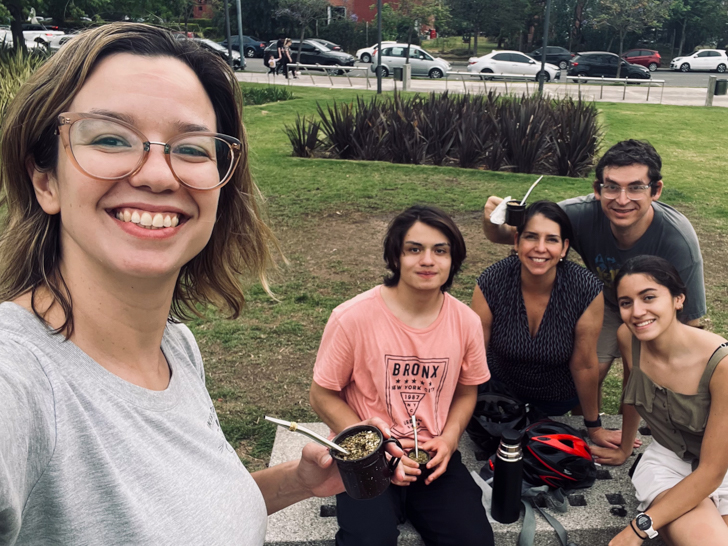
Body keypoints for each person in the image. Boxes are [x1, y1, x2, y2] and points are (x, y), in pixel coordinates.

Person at [0, 23, 403, 545]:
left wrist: (300, 481)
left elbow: (190, 515)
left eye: (191, 149)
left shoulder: (176, 348)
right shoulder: (20, 385)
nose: (158, 175)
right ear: (45, 179)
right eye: (109, 138)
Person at [310, 205, 495, 546]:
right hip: (366, 457)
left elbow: (467, 391)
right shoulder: (352, 318)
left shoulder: (466, 322)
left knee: (474, 539)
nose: (428, 260)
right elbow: (321, 395)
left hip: (431, 454)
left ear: (453, 259)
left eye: (440, 250)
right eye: (414, 249)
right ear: (395, 256)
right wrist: (374, 444)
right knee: (368, 540)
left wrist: (449, 439)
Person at [482, 140, 706, 389]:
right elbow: (508, 236)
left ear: (656, 190)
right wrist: (494, 219)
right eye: (612, 187)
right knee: (587, 377)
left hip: (655, 310)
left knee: (642, 382)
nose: (622, 200)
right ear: (598, 189)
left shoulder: (678, 240)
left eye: (635, 188)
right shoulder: (579, 213)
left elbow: (690, 320)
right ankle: (588, 425)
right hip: (608, 304)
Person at [590, 256, 728, 546]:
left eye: (649, 297)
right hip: (668, 463)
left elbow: (712, 471)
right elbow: (632, 391)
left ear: (678, 299)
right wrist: (626, 447)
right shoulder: (628, 338)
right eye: (626, 302)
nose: (637, 312)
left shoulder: (721, 365)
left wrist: (635, 531)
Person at [471, 200, 623, 452]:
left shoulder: (585, 288)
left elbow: (584, 363)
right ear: (517, 241)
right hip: (502, 397)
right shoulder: (492, 280)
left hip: (557, 399)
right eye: (531, 237)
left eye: (551, 239)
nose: (540, 248)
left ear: (564, 247)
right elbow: (474, 353)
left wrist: (594, 427)